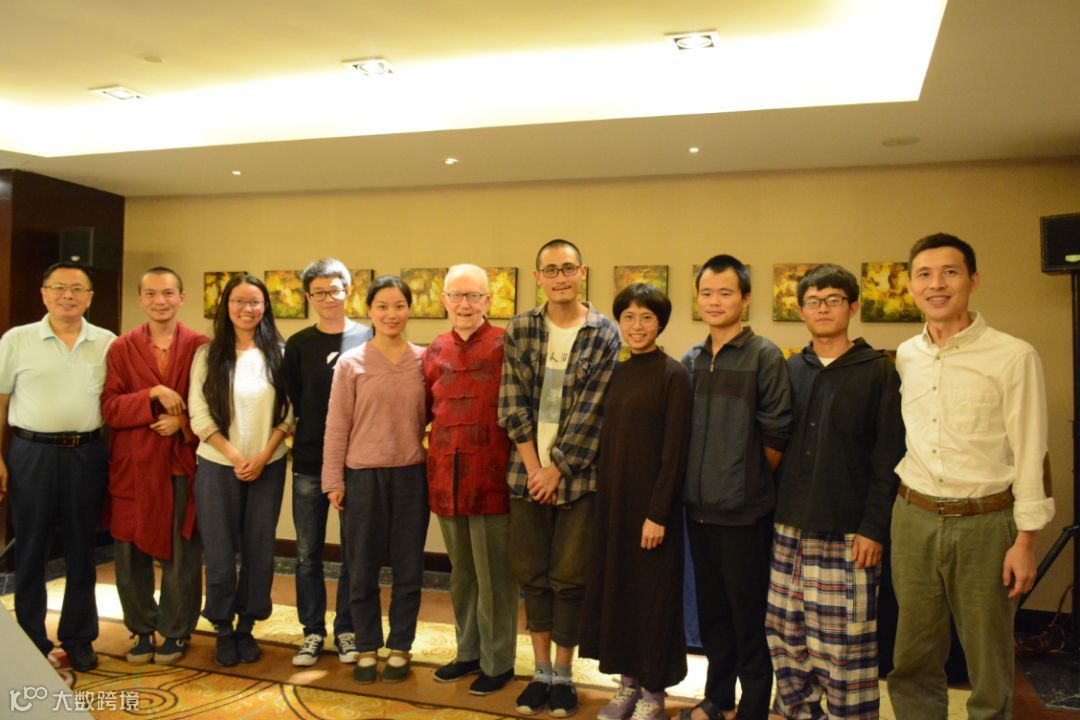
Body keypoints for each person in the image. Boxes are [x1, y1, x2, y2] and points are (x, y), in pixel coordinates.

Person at [887, 233, 1054, 719]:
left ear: (973, 281)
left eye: (950, 272)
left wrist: (1026, 540)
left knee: (988, 657)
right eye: (924, 274)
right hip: (913, 516)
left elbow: (1030, 452)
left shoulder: (1013, 355)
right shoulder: (907, 354)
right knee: (913, 655)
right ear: (911, 286)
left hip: (985, 523)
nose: (936, 284)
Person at [764, 264, 904, 719]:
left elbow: (889, 458)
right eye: (813, 301)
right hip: (788, 526)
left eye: (833, 300)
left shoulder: (879, 371)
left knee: (845, 646)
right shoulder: (789, 369)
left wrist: (874, 528)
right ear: (801, 310)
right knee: (786, 637)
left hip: (849, 532)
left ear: (853, 307)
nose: (822, 309)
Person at [498, 238, 622, 717]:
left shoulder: (604, 333)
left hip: (578, 479)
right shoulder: (521, 328)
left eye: (568, 269)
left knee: (569, 580)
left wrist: (557, 469)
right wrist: (535, 470)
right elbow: (511, 402)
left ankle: (565, 677)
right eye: (550, 270)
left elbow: (595, 412)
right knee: (532, 578)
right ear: (538, 278)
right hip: (526, 476)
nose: (560, 277)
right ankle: (541, 673)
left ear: (582, 273)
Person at [680, 254, 793, 720]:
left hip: (744, 514)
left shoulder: (764, 355)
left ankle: (754, 706)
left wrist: (745, 479)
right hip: (698, 510)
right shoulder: (691, 359)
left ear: (745, 299)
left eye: (725, 292)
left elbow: (777, 432)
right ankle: (718, 697)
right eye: (706, 293)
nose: (714, 301)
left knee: (748, 617)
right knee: (713, 617)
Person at [580, 283, 692, 720]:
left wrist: (657, 514)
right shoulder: (618, 372)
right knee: (621, 595)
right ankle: (627, 684)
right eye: (628, 317)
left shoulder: (673, 375)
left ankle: (653, 693)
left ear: (660, 323)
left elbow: (675, 453)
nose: (637, 326)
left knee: (652, 602)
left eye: (647, 317)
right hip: (615, 508)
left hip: (652, 513)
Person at [0, 261, 116, 671]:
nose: (68, 295)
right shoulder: (17, 340)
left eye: (77, 289)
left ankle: (79, 638)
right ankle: (31, 639)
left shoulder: (107, 342)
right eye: (59, 287)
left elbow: (116, 402)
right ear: (44, 293)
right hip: (31, 453)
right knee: (30, 548)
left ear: (90, 297)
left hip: (87, 453)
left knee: (83, 549)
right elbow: (1, 400)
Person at [323, 275, 428, 684]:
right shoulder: (350, 363)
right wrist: (334, 480)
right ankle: (366, 645)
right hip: (362, 477)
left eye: (399, 305)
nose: (391, 313)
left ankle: (400, 646)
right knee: (361, 568)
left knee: (408, 568)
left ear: (409, 310)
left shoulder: (424, 360)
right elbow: (337, 426)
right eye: (382, 306)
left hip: (411, 476)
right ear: (369, 311)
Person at [101, 267, 209, 665]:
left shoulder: (200, 346)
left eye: (167, 293)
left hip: (180, 465)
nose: (159, 301)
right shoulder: (121, 348)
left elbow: (215, 407)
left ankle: (177, 631)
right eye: (151, 294)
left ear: (182, 298)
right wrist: (152, 394)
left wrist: (182, 424)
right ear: (140, 299)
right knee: (129, 553)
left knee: (182, 553)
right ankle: (142, 629)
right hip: (134, 467)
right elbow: (111, 408)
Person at [423, 264, 518, 695]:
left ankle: (498, 662)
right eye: (457, 296)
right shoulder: (434, 350)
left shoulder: (505, 344)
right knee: (461, 574)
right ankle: (467, 652)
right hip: (446, 478)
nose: (465, 304)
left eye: (474, 295)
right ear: (444, 300)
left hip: (492, 478)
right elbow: (425, 410)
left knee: (495, 576)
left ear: (488, 300)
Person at [188, 273, 292, 667]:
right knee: (218, 550)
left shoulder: (279, 353)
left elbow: (289, 413)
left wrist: (263, 455)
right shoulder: (207, 355)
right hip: (217, 465)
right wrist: (234, 455)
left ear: (265, 307)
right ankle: (222, 628)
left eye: (255, 302)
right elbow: (199, 414)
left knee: (259, 548)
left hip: (269, 464)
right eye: (239, 301)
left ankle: (247, 626)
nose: (247, 309)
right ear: (226, 307)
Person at [284, 258, 372, 667]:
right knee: (307, 553)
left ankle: (347, 629)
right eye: (318, 292)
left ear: (348, 291)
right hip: (308, 462)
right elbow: (295, 400)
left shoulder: (369, 337)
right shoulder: (298, 344)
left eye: (334, 290)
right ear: (308, 297)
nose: (328, 298)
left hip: (356, 462)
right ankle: (313, 632)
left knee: (354, 553)